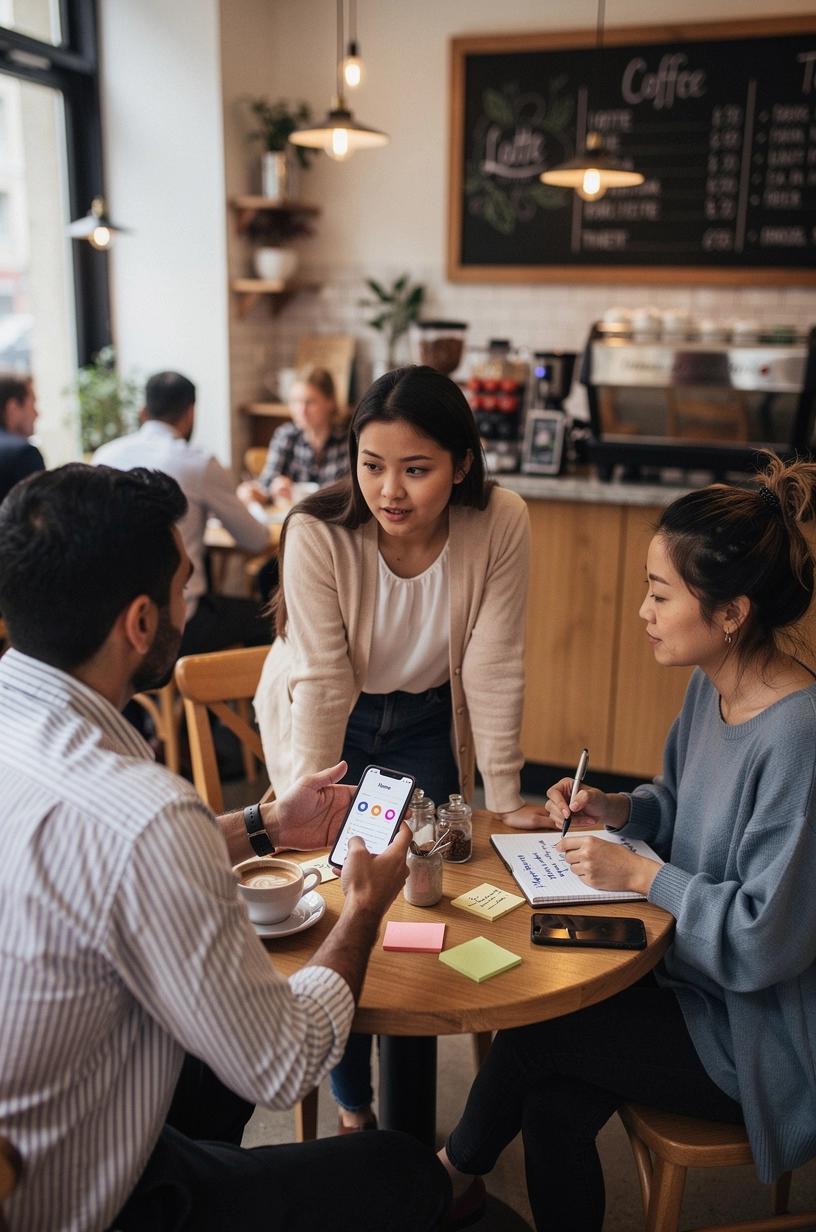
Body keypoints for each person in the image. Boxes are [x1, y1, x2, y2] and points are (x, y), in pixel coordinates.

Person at [0, 462, 451, 1232]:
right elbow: (284, 1062)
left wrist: (264, 825)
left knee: (214, 1055)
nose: (191, 599)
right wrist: (365, 910)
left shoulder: (49, 756)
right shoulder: (144, 814)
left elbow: (102, 856)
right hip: (77, 1200)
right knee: (406, 1172)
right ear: (140, 623)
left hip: (39, 1115)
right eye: (185, 582)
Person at [438, 453, 816, 1232]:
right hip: (684, 982)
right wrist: (615, 807)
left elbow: (761, 939)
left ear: (732, 613)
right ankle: (455, 1175)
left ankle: (449, 1175)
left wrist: (641, 876)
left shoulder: (799, 737)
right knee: (550, 1097)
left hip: (755, 1032)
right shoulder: (712, 685)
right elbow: (678, 806)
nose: (643, 610)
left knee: (545, 1025)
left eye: (659, 593)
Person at [254, 364, 551, 1132]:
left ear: (461, 463)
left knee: (421, 906)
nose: (391, 490)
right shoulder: (317, 530)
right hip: (336, 724)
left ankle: (410, 1134)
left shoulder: (501, 521)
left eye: (416, 470)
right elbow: (321, 681)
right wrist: (308, 809)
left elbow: (493, 660)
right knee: (335, 903)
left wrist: (508, 795)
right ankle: (355, 1110)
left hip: (425, 721)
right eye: (373, 465)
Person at [94, 370, 272, 655]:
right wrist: (250, 507)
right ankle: (218, 694)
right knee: (272, 617)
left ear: (143, 412)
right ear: (190, 413)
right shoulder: (198, 463)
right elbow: (255, 540)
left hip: (115, 625)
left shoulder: (104, 456)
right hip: (178, 626)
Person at [237, 365, 348, 508]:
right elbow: (265, 486)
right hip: (295, 522)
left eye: (310, 402)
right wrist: (269, 489)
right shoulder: (286, 436)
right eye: (296, 401)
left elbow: (350, 495)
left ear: (330, 402)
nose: (302, 410)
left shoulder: (348, 440)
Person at [0, 372, 44, 503]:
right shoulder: (23, 454)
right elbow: (43, 514)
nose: (37, 414)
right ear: (13, 408)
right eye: (32, 404)